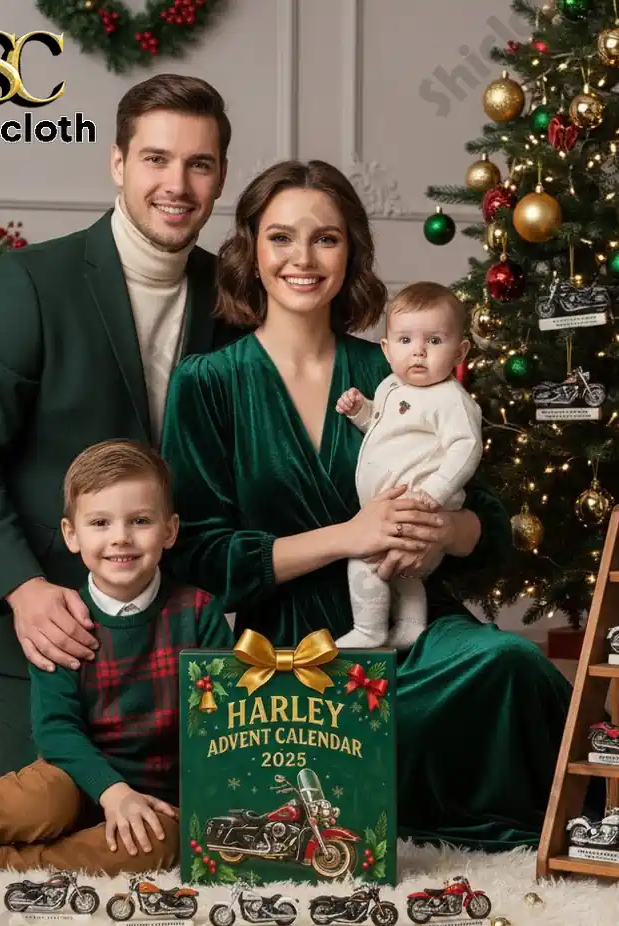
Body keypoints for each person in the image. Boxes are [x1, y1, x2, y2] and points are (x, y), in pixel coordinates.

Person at [160, 160, 575, 850]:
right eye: (281, 237)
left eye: (325, 238)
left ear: (350, 252)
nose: (302, 258)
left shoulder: (395, 367)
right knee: (342, 736)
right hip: (293, 648)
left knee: (512, 664)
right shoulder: (206, 384)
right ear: (250, 251)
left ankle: (569, 817)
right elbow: (197, 554)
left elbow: (490, 523)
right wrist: (348, 536)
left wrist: (445, 529)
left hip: (415, 627)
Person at [0, 74, 239, 786]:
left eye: (199, 164)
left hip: (171, 615)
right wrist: (24, 589)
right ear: (119, 163)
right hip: (49, 608)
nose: (177, 184)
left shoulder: (232, 293)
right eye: (157, 159)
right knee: (53, 804)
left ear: (221, 175)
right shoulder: (31, 281)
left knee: (192, 800)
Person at [0, 441, 234, 876]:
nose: (120, 537)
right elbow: (56, 731)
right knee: (40, 799)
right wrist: (111, 791)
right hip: (72, 778)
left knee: (162, 842)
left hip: (152, 794)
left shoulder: (199, 614)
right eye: (100, 523)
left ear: (169, 530)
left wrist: (181, 797)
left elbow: (220, 723)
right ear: (72, 534)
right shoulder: (63, 620)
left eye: (140, 521)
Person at [333, 281, 482, 650]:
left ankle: (369, 628)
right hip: (395, 505)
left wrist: (436, 491)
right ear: (386, 349)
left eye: (434, 341)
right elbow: (383, 427)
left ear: (460, 351)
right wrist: (361, 412)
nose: (418, 351)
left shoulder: (451, 399)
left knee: (365, 560)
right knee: (404, 571)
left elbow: (466, 446)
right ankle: (412, 626)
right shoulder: (390, 387)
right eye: (405, 340)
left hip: (421, 504)